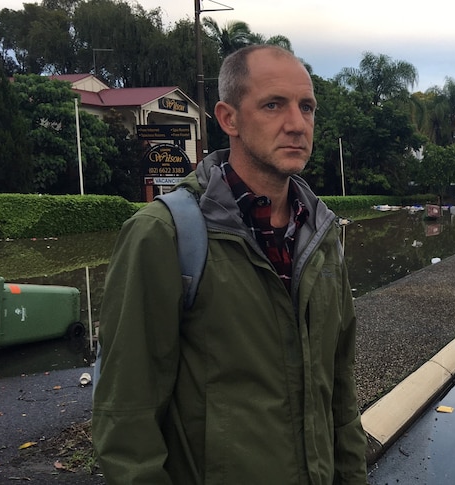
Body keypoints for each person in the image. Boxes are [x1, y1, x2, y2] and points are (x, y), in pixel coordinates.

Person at [92, 45, 367, 484]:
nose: (297, 124)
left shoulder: (323, 236)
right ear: (229, 119)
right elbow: (126, 419)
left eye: (307, 107)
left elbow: (340, 394)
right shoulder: (165, 236)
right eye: (273, 105)